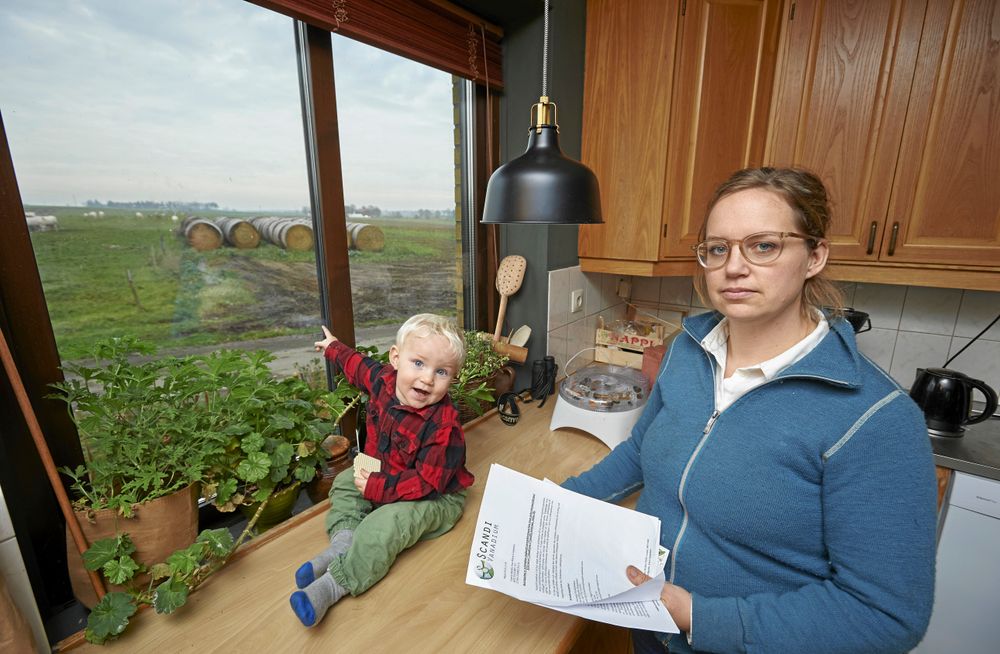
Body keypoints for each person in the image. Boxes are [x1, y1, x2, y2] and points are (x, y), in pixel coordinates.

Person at [562, 167, 937, 653]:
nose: (733, 267)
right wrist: (552, 505)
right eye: (718, 249)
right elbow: (640, 450)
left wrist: (698, 616)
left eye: (763, 246)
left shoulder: (875, 418)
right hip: (650, 627)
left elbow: (885, 615)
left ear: (815, 256)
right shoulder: (687, 350)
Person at [290, 313, 474, 627]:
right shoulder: (382, 379)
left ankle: (336, 582)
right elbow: (356, 364)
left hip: (436, 495)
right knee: (347, 481)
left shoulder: (443, 425)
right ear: (396, 358)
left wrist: (379, 488)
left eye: (441, 371)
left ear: (452, 378)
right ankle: (344, 541)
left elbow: (427, 482)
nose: (427, 378)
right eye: (418, 363)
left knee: (385, 524)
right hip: (385, 471)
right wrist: (334, 347)